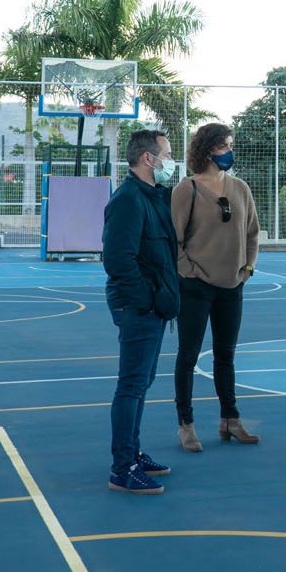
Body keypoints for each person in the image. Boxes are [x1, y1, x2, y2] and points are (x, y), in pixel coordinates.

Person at [171, 123, 261, 451]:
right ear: (209, 150)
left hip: (231, 286)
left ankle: (230, 419)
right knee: (188, 355)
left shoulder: (240, 188)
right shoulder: (187, 189)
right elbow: (174, 240)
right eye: (225, 146)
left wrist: (248, 268)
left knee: (226, 356)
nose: (229, 152)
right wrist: (190, 272)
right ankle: (186, 424)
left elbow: (252, 233)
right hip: (194, 288)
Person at [102, 129, 180, 495]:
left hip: (152, 306)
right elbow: (118, 260)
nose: (171, 160)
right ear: (148, 158)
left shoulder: (155, 196)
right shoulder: (129, 199)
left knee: (141, 383)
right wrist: (147, 299)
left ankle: (133, 452)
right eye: (166, 153)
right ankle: (123, 467)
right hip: (139, 307)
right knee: (131, 385)